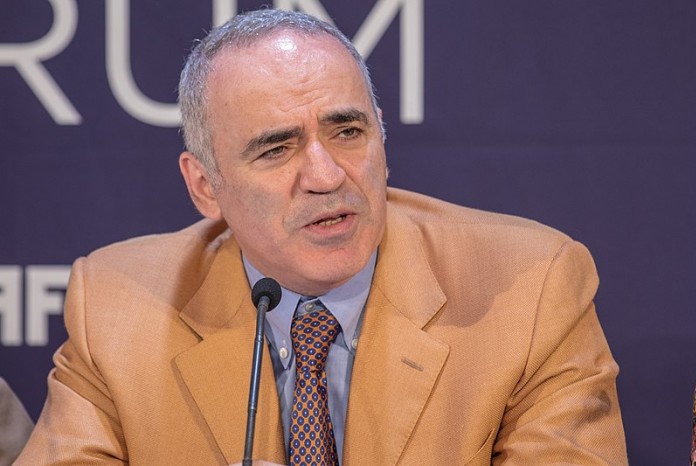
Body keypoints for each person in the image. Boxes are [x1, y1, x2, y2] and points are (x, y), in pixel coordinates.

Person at [16, 8, 628, 465]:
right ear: (205, 186)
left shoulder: (529, 289)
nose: (327, 176)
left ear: (382, 136)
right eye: (276, 149)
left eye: (347, 132)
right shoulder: (117, 309)